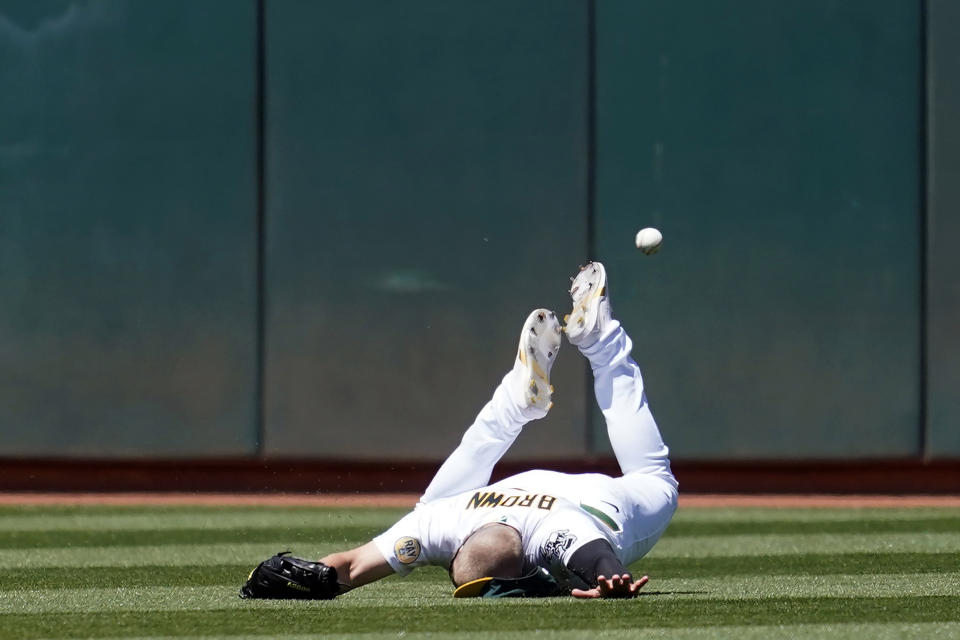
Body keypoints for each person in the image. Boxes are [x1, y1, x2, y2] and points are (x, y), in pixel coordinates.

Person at [319, 262, 678, 598]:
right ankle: (515, 401)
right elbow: (349, 566)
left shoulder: (549, 535)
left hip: (592, 506)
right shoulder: (438, 524)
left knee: (654, 478)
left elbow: (599, 559)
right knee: (428, 505)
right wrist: (303, 576)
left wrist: (614, 579)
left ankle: (597, 345)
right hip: (542, 504)